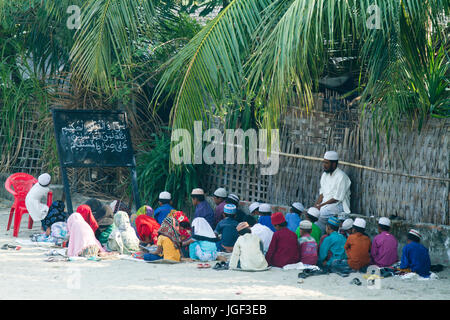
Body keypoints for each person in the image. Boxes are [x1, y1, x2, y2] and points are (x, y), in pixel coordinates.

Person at [314, 151, 351, 234]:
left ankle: (322, 234)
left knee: (321, 214)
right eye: (324, 162)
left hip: (338, 205)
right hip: (325, 204)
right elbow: (322, 193)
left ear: (334, 164)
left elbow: (337, 198)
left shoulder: (341, 176)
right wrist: (316, 205)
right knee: (313, 213)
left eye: (326, 163)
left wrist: (320, 206)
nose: (324, 165)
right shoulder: (324, 175)